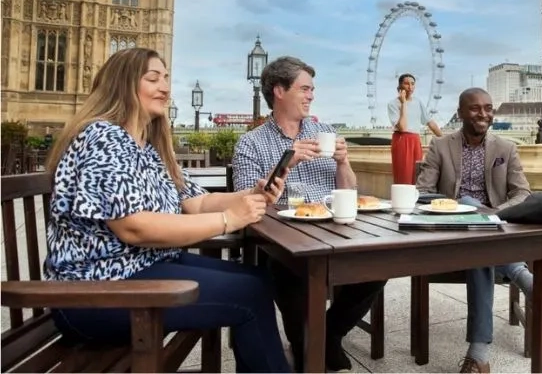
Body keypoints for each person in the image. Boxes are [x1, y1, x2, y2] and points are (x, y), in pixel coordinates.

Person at [43, 48, 291, 373]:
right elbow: (133, 228)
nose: (165, 87)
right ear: (122, 84)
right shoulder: (102, 137)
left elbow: (197, 202)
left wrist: (252, 194)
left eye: (166, 78)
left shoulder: (146, 147)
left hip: (137, 272)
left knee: (259, 278)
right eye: (153, 78)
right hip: (94, 293)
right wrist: (230, 219)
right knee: (250, 294)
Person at [233, 55, 387, 373]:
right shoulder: (251, 143)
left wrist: (344, 163)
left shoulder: (325, 131)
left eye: (312, 89)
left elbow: (349, 194)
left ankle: (326, 337)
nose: (311, 95)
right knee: (291, 275)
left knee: (380, 261)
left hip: (334, 229)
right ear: (279, 90)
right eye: (304, 89)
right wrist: (286, 165)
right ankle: (312, 349)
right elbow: (246, 203)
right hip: (283, 238)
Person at [416, 87, 542, 373]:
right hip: (453, 230)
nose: (484, 114)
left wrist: (495, 215)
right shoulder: (441, 147)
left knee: (481, 252)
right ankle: (533, 285)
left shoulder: (506, 148)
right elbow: (423, 192)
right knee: (471, 214)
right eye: (475, 108)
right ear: (460, 113)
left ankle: (478, 357)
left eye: (488, 108)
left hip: (493, 229)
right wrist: (460, 208)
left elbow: (522, 193)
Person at [387, 73, 443, 184]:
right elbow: (402, 127)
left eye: (412, 84)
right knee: (404, 175)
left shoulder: (418, 102)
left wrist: (443, 139)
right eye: (406, 83)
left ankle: (415, 199)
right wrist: (403, 104)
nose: (410, 87)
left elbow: (430, 122)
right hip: (401, 140)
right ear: (399, 86)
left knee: (417, 173)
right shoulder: (392, 104)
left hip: (416, 140)